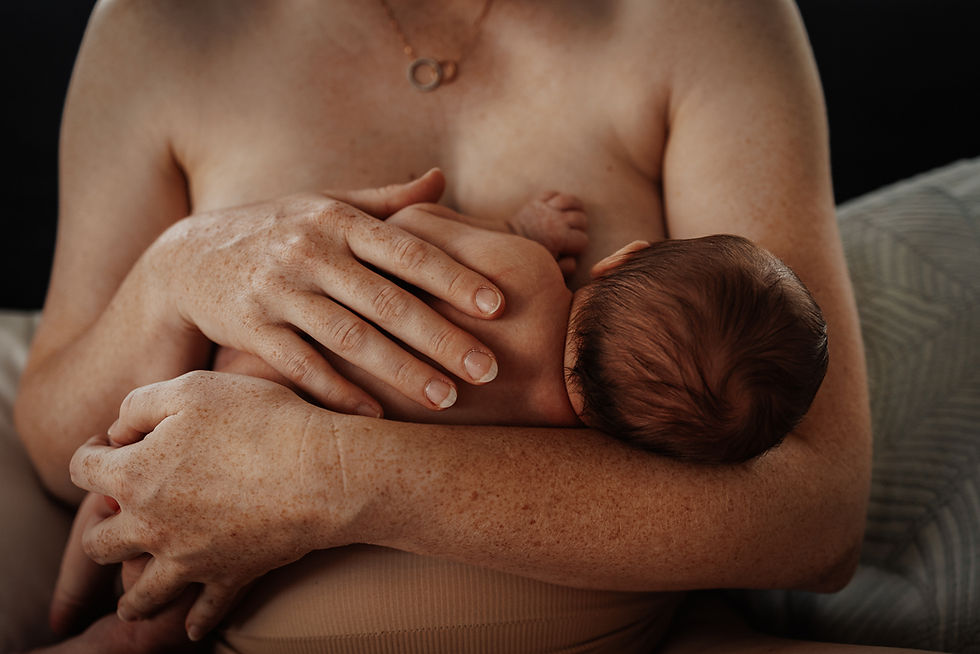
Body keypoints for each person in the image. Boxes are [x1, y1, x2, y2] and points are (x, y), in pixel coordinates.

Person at [14, 1, 916, 652]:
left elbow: (812, 515)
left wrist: (321, 474)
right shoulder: (159, 28)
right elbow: (58, 443)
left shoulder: (704, 20)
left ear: (610, 260)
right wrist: (174, 270)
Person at [218, 193, 829, 465]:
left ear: (622, 258)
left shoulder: (524, 272)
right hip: (264, 415)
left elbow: (412, 225)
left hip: (258, 345)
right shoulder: (563, 441)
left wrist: (517, 225)